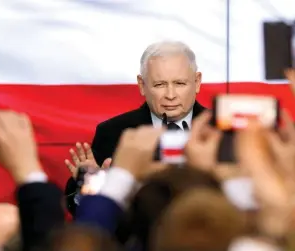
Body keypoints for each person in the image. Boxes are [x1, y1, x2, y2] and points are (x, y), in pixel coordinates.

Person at [64, 41, 207, 215]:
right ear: (142, 85)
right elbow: (78, 209)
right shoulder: (114, 132)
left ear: (197, 82)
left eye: (179, 84)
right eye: (160, 85)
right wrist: (94, 185)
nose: (170, 95)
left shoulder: (218, 130)